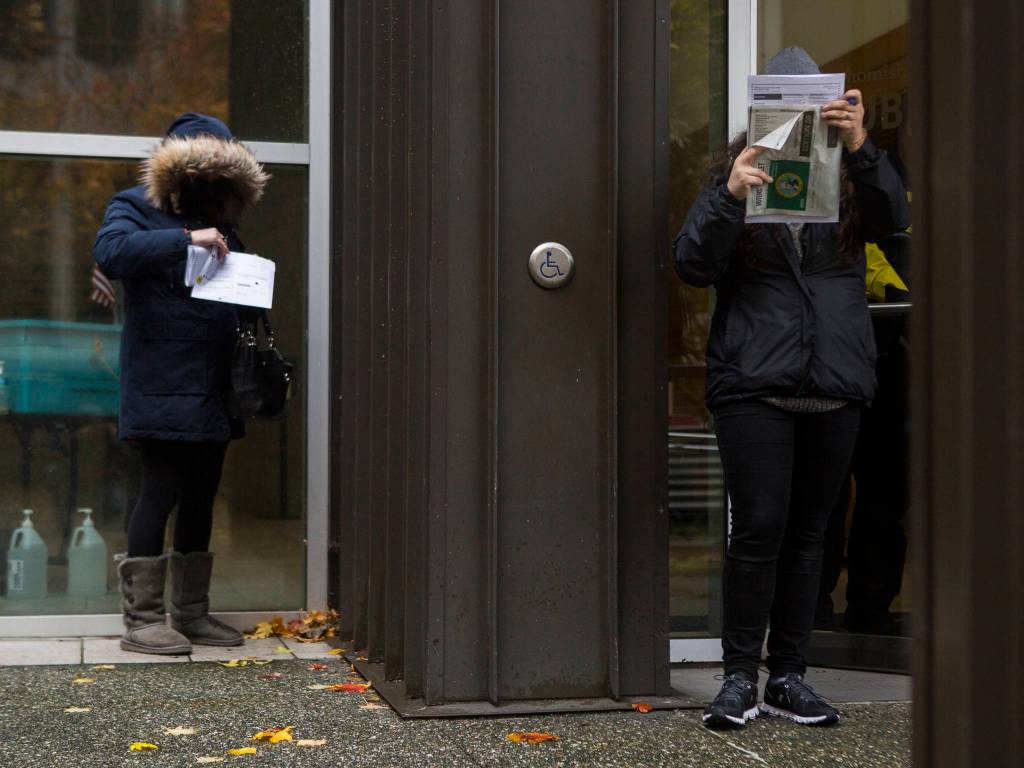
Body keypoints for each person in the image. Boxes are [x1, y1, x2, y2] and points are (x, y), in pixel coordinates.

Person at [673, 47, 909, 727]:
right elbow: (692, 262)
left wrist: (862, 144)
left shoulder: (853, 180)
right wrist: (730, 194)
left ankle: (791, 677)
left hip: (835, 378)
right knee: (758, 532)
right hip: (754, 383)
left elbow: (896, 219)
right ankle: (740, 677)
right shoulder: (736, 176)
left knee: (810, 536)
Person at [93, 113, 269, 655]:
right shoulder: (134, 207)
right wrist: (187, 239)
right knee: (159, 492)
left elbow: (225, 293)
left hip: (215, 385)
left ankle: (191, 614)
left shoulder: (222, 216)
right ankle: (143, 622)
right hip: (161, 383)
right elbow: (111, 253)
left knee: (200, 498)